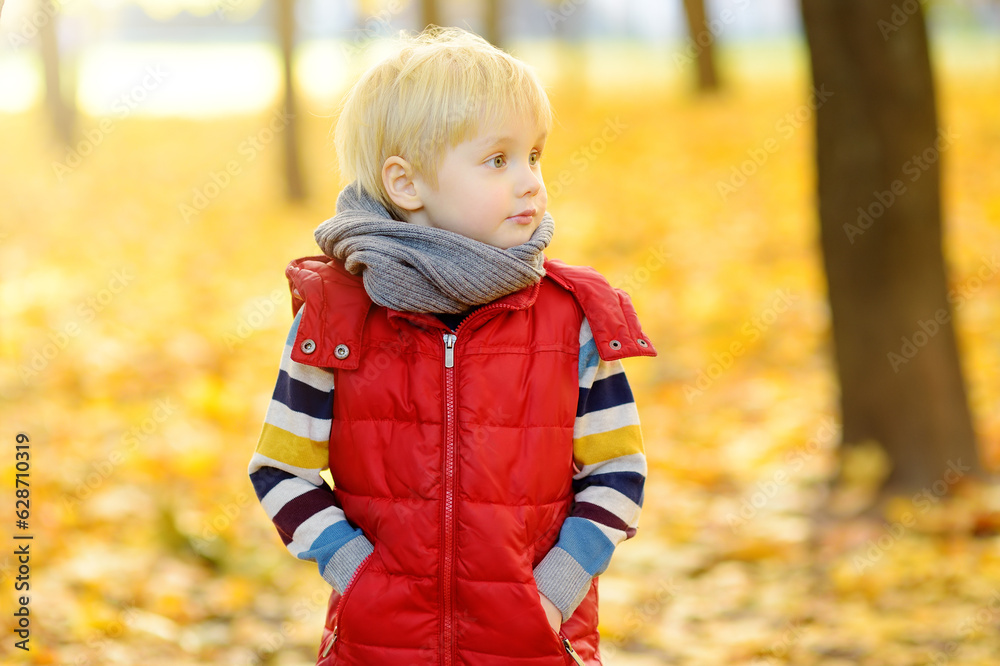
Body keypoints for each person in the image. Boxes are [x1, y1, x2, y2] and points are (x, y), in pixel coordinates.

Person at [248, 26, 656, 666]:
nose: (529, 182)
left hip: (533, 642)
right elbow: (280, 468)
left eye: (535, 156)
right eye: (498, 160)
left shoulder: (570, 318)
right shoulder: (335, 320)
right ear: (407, 185)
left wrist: (552, 592)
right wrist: (356, 575)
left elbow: (617, 471)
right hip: (380, 645)